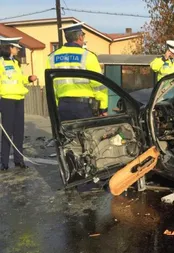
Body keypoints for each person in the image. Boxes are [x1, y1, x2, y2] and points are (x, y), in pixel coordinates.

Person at [46, 22, 108, 121]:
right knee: (87, 135)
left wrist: (55, 106)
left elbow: (51, 86)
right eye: (83, 35)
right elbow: (98, 84)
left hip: (63, 106)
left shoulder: (52, 57)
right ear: (80, 37)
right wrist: (103, 107)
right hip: (84, 107)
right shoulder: (88, 56)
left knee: (66, 135)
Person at [0, 37, 37, 170]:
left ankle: (18, 160)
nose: (18, 50)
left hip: (19, 99)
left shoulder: (16, 63)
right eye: (16, 47)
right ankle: (4, 162)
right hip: (6, 100)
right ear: (8, 47)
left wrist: (29, 79)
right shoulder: (0, 62)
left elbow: (20, 79)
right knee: (7, 132)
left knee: (19, 131)